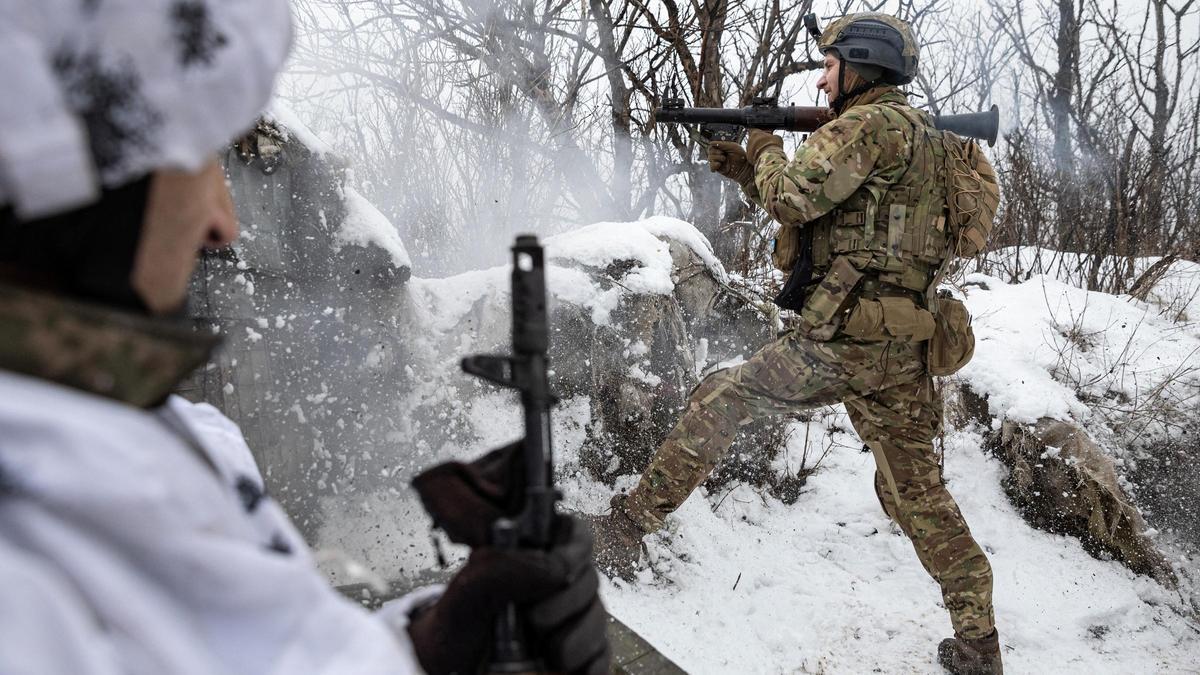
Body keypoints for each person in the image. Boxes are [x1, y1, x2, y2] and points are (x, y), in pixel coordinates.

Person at [0, 2, 608, 673]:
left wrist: (429, 643)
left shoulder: (176, 440)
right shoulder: (26, 563)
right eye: (200, 158)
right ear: (73, 168)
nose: (222, 222)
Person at [588, 12, 1002, 675]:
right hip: (903, 350)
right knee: (918, 494)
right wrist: (743, 156)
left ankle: (625, 529)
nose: (823, 75)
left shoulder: (865, 126)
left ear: (863, 65)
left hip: (839, 341)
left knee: (721, 397)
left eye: (833, 64)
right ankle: (980, 641)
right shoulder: (936, 142)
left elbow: (791, 197)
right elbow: (838, 213)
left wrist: (762, 144)